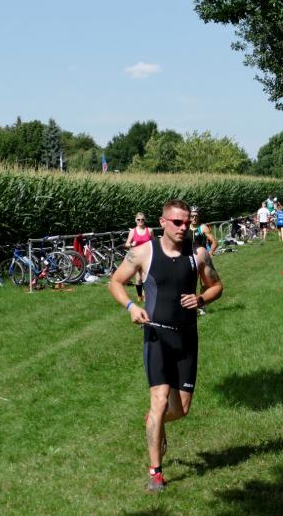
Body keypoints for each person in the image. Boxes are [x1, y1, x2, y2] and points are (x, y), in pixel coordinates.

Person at [109, 199, 223, 493]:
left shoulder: (197, 254)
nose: (183, 227)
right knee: (159, 401)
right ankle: (156, 473)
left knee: (181, 409)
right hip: (156, 336)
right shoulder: (143, 252)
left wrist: (200, 299)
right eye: (177, 222)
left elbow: (216, 286)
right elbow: (115, 282)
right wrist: (131, 307)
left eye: (186, 222)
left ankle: (153, 422)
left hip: (187, 338)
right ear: (163, 222)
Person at [124, 212, 153, 302]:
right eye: (139, 219)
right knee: (138, 278)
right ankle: (139, 295)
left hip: (147, 257)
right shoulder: (133, 231)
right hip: (137, 257)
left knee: (146, 277)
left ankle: (146, 295)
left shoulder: (149, 230)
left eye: (142, 219)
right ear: (135, 220)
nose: (141, 221)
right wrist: (131, 244)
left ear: (145, 220)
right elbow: (127, 244)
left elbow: (153, 243)